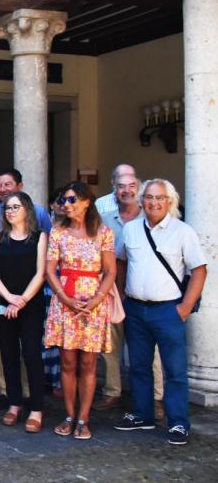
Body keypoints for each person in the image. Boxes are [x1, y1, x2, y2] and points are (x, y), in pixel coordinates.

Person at [114, 179, 207, 445]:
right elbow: (120, 261)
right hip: (135, 308)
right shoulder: (131, 230)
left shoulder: (183, 231)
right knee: (139, 366)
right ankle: (143, 415)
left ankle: (178, 422)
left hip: (168, 310)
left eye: (160, 198)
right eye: (149, 197)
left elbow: (199, 270)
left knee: (174, 370)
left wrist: (185, 308)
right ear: (141, 200)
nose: (154, 202)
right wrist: (120, 294)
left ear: (170, 202)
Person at [44, 181, 117, 441]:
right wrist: (64, 297)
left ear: (87, 202)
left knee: (88, 363)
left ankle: (84, 418)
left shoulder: (104, 232)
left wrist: (96, 300)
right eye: (64, 200)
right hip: (65, 300)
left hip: (93, 304)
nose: (67, 205)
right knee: (67, 361)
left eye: (72, 200)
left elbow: (110, 271)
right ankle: (69, 415)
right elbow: (50, 270)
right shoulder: (58, 232)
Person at [94, 171, 164, 417]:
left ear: (139, 187)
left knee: (148, 350)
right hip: (114, 292)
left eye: (131, 185)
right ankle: (112, 392)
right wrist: (117, 290)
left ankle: (155, 398)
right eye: (121, 185)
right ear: (114, 187)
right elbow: (116, 259)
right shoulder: (104, 219)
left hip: (145, 295)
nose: (127, 190)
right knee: (110, 346)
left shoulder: (151, 215)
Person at [0, 192, 48, 433]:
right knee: (8, 354)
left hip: (30, 304)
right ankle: (14, 403)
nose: (10, 211)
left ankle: (37, 408)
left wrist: (21, 301)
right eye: (7, 208)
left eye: (15, 207)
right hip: (3, 303)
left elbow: (41, 273)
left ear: (27, 210)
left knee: (31, 354)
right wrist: (10, 298)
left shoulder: (39, 237)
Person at [0, 169, 53, 235]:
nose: (2, 190)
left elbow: (48, 240)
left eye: (7, 185)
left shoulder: (39, 212)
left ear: (20, 186)